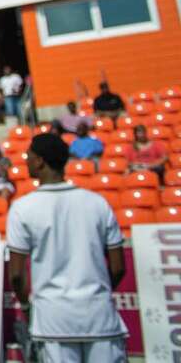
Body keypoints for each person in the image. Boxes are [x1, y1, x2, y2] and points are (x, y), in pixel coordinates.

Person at [7, 133, 127, 363]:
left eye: (29, 156)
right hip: (99, 316)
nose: (26, 161)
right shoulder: (98, 203)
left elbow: (17, 275)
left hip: (54, 321)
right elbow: (118, 267)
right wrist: (95, 294)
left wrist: (26, 305)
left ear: (40, 161)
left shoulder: (22, 208)